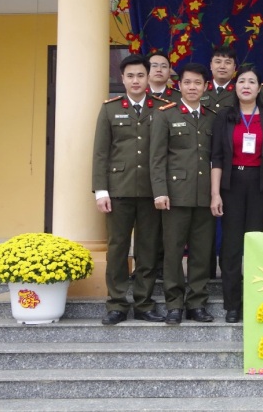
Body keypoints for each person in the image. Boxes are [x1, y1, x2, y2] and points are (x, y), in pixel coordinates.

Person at [92, 55, 167, 325]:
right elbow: (101, 153)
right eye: (130, 76)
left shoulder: (162, 108)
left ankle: (144, 303)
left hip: (151, 191)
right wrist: (101, 190)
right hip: (118, 191)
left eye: (140, 75)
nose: (136, 81)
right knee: (117, 249)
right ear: (122, 79)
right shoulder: (110, 109)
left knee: (148, 249)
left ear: (148, 78)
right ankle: (117, 304)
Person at [210, 67, 263, 323]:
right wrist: (215, 194)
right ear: (235, 87)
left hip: (261, 186)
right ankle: (232, 304)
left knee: (256, 245)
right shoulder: (224, 116)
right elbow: (217, 157)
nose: (246, 85)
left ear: (259, 89)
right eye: (242, 81)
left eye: (252, 82)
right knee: (231, 246)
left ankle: (255, 300)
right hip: (232, 185)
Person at [150, 62, 216, 325]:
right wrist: (160, 191)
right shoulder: (166, 114)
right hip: (175, 196)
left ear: (205, 87)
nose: (192, 87)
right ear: (179, 85)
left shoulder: (211, 116)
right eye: (187, 82)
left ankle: (197, 303)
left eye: (197, 83)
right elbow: (157, 158)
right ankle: (174, 304)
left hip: (204, 196)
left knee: (201, 252)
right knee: (173, 251)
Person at [202, 46, 238, 112]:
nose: (222, 66)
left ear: (234, 67)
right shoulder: (201, 89)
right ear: (211, 65)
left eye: (227, 62)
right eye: (218, 62)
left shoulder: (239, 91)